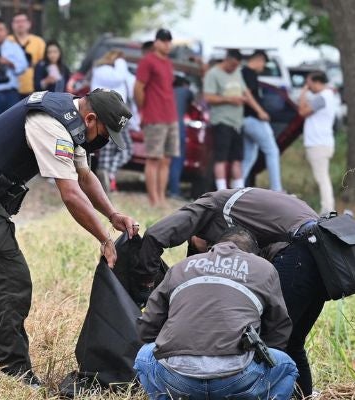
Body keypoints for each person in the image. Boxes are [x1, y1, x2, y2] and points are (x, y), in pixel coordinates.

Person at [0, 89, 140, 386]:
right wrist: (104, 238)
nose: (103, 141)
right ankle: (16, 373)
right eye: (105, 132)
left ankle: (8, 365)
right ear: (91, 119)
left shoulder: (70, 118)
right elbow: (71, 193)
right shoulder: (51, 124)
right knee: (10, 281)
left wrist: (113, 215)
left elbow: (84, 176)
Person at [139, 188, 326, 398]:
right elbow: (279, 335)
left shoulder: (208, 205)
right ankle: (296, 393)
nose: (200, 253)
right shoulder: (258, 234)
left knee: (144, 354)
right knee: (290, 347)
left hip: (302, 250)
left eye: (196, 246)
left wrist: (146, 284)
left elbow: (154, 235)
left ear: (197, 230)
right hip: (323, 253)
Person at [134, 227, 298, 400]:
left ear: (213, 247)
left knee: (144, 355)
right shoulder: (264, 268)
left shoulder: (179, 267)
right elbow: (278, 331)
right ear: (253, 254)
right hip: (237, 378)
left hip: (176, 378)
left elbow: (147, 329)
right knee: (287, 366)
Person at [203, 49, 266, 191]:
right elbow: (208, 97)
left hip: (237, 122)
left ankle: (238, 190)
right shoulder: (213, 74)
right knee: (221, 158)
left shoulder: (237, 72)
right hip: (222, 121)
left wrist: (259, 110)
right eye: (231, 65)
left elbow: (246, 93)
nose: (233, 68)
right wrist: (229, 99)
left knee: (237, 159)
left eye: (236, 66)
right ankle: (221, 190)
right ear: (226, 59)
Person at [135, 29, 178, 206]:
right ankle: (153, 200)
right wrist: (143, 109)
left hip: (171, 116)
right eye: (164, 41)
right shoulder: (147, 61)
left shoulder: (168, 62)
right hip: (154, 116)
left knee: (167, 159)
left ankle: (161, 197)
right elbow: (138, 88)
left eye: (169, 41)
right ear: (156, 42)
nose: (167, 44)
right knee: (153, 158)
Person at [90, 50, 135, 192]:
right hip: (108, 111)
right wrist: (120, 63)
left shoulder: (114, 71)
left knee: (125, 149)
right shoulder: (103, 70)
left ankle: (108, 173)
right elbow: (119, 78)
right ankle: (105, 177)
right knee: (108, 147)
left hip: (119, 112)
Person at [241, 50, 282, 192]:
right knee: (272, 151)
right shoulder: (249, 73)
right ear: (258, 60)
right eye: (264, 63)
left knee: (248, 156)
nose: (263, 67)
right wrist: (260, 111)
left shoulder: (242, 73)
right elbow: (246, 95)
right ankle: (276, 189)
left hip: (244, 119)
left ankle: (236, 189)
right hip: (253, 118)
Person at [298, 70, 337, 214]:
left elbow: (302, 111)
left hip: (318, 143)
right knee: (322, 177)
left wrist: (303, 92)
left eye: (309, 84)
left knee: (322, 178)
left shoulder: (322, 97)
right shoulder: (329, 96)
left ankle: (327, 209)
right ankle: (327, 207)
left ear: (316, 82)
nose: (308, 87)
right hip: (324, 142)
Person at [167, 75, 194, 199]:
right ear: (184, 85)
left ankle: (164, 189)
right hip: (178, 127)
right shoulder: (185, 91)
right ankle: (174, 191)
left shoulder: (167, 92)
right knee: (177, 160)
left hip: (164, 126)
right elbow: (193, 104)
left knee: (163, 161)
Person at [8, 12, 45, 98]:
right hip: (11, 89)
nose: (20, 24)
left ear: (29, 24)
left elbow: (44, 63)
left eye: (23, 21)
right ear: (12, 25)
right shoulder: (6, 41)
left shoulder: (38, 42)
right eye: (17, 21)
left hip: (33, 89)